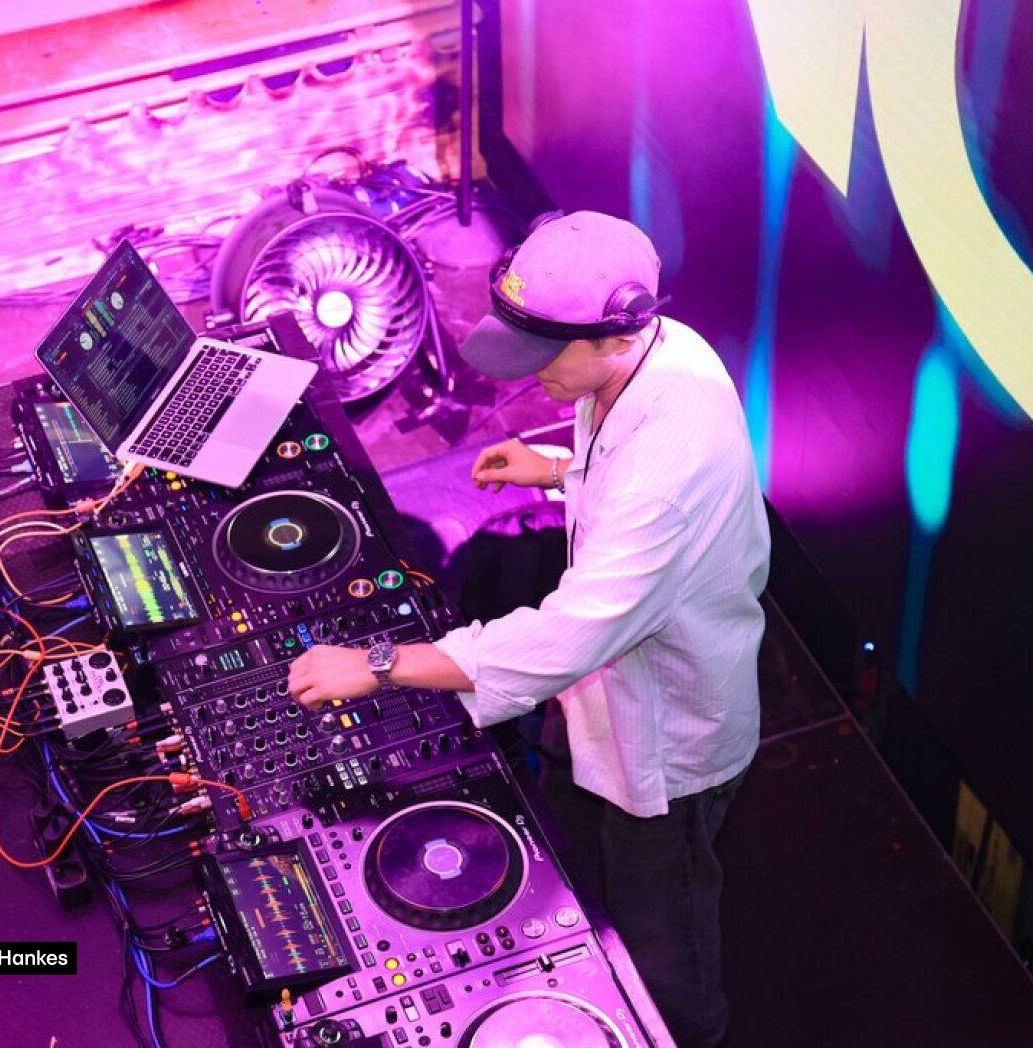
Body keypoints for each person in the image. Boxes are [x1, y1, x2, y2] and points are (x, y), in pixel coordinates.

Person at [287, 210, 770, 1047]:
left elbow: (571, 635)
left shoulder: (666, 464)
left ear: (617, 334)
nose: (528, 373)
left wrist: (381, 662)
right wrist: (559, 470)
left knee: (667, 946)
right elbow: (622, 480)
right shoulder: (657, 353)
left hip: (668, 747)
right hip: (606, 702)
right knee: (575, 856)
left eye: (543, 354)